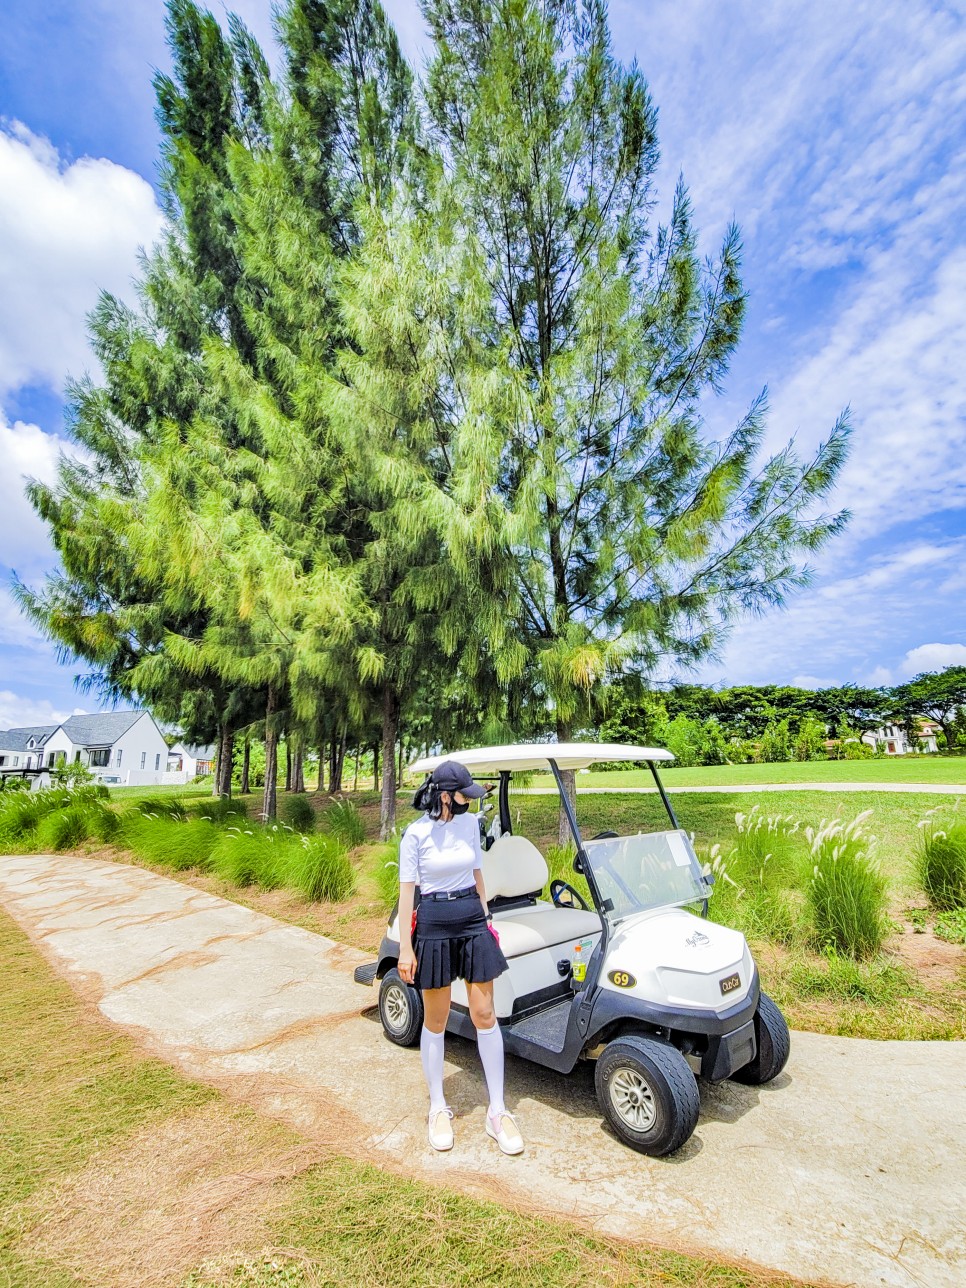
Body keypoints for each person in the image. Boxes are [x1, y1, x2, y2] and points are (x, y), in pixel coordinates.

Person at [398, 760, 524, 1155]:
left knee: (484, 1014)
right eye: (463, 794)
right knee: (435, 1020)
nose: (470, 800)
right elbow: (407, 896)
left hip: (471, 917)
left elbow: (476, 874)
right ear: (446, 796)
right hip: (433, 923)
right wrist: (405, 947)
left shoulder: (471, 826)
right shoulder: (415, 835)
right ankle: (438, 1107)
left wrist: (487, 918)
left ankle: (498, 1111)